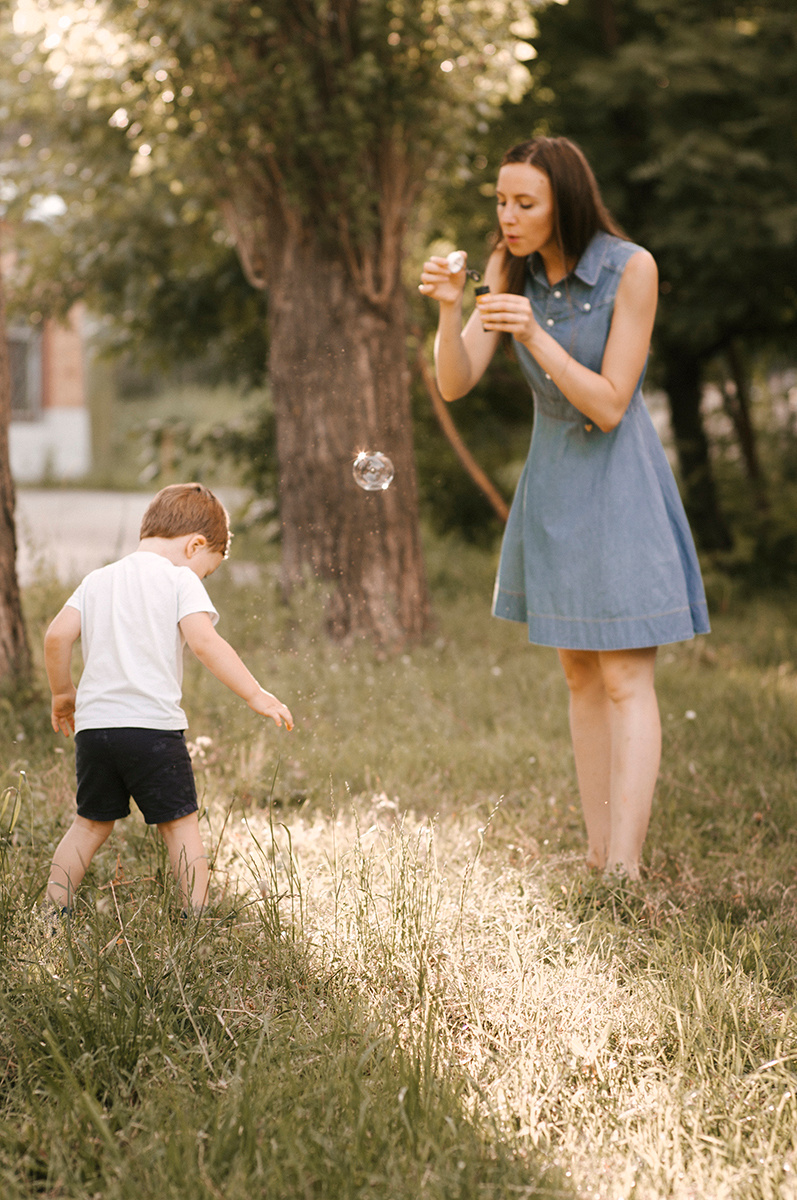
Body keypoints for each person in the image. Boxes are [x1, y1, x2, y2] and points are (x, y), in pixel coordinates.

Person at [419, 136, 709, 880]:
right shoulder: (504, 269)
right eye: (499, 201)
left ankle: (626, 867)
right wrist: (451, 314)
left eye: (524, 204)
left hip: (616, 478)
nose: (507, 218)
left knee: (624, 678)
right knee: (579, 673)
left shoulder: (630, 268)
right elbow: (455, 382)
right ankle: (595, 852)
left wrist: (537, 338)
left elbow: (611, 403)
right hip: (551, 479)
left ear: (564, 203)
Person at [44, 482, 293, 916]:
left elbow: (57, 635)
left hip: (95, 730)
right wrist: (255, 693)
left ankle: (51, 909)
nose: (202, 579)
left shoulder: (98, 579)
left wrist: (64, 694)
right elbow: (204, 643)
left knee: (89, 824)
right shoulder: (179, 578)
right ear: (196, 545)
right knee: (179, 826)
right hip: (151, 730)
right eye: (207, 571)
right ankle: (194, 916)